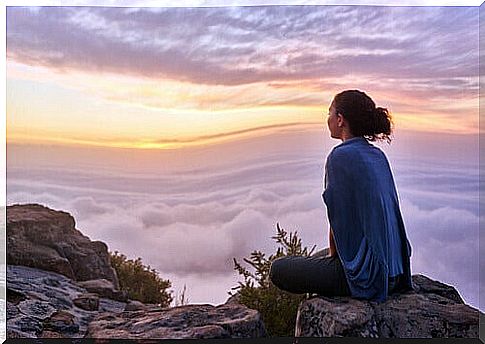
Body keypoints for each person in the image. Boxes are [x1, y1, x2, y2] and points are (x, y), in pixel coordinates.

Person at [269, 89, 414, 303]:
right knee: (315, 258)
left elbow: (339, 222)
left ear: (340, 119)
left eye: (329, 113)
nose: (327, 119)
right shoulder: (377, 155)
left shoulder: (340, 156)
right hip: (396, 271)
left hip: (371, 278)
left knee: (279, 269)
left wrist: (336, 259)